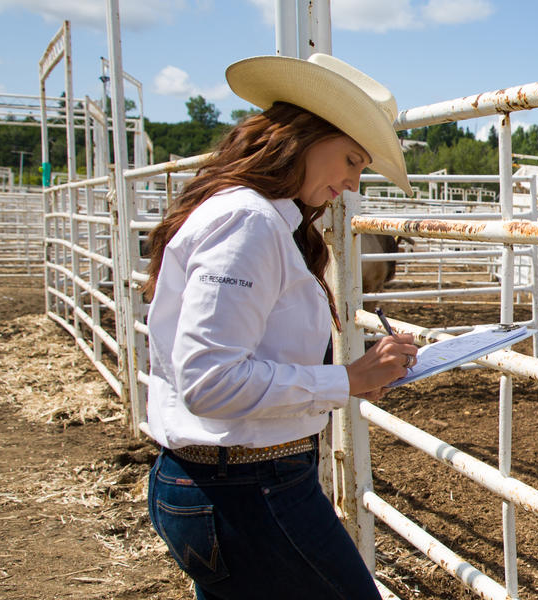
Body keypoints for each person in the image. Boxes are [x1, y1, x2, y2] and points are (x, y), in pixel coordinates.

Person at [140, 53, 418, 599]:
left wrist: (353, 376)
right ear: (306, 137)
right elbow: (210, 381)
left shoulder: (256, 217)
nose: (353, 181)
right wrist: (348, 379)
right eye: (351, 159)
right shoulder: (249, 221)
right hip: (247, 490)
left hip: (233, 483)